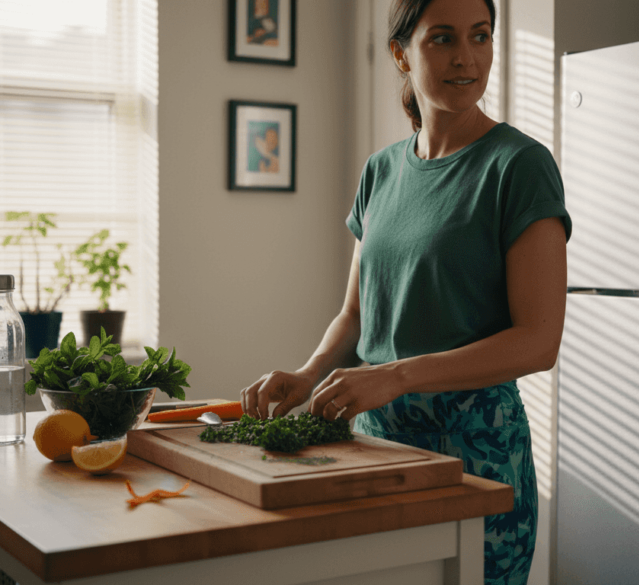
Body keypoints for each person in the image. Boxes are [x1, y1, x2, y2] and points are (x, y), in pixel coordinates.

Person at [240, 0, 570, 582]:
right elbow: (356, 314)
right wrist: (310, 372)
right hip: (374, 448)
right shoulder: (381, 173)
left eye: (481, 36)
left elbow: (538, 342)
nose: (466, 57)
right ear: (401, 53)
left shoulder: (519, 167)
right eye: (442, 39)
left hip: (477, 458)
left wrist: (395, 375)